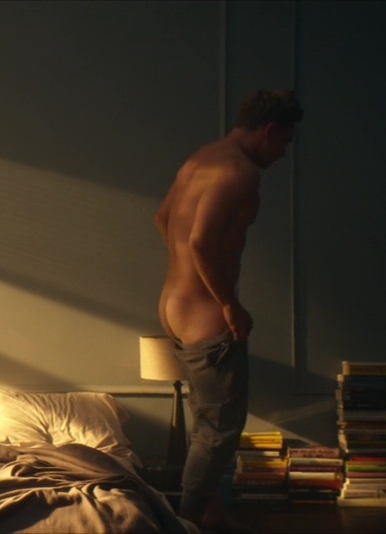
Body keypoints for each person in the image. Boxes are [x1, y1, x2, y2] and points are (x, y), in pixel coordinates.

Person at [154, 89, 302, 531]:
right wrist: (229, 304)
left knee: (205, 422)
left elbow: (163, 217)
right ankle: (188, 521)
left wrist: (184, 276)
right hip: (206, 316)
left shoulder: (201, 158)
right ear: (270, 131)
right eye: (284, 142)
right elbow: (200, 242)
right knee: (220, 431)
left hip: (173, 306)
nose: (282, 154)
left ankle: (210, 507)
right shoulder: (240, 171)